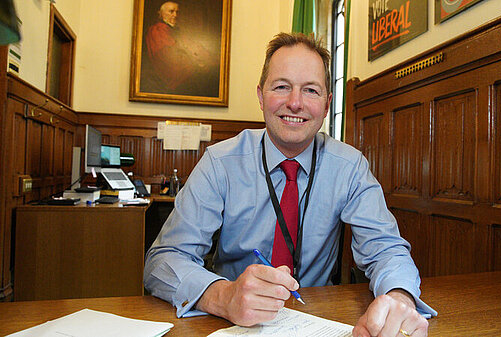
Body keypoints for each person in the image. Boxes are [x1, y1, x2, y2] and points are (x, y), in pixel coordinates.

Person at [144, 32, 436, 337]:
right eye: (281, 87)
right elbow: (163, 260)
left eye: (310, 90)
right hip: (228, 323)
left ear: (326, 105)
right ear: (260, 96)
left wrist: (399, 300)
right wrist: (224, 296)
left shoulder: (350, 167)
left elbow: (386, 249)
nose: (295, 103)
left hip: (317, 318)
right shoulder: (219, 163)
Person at [142, 1, 217, 96]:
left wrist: (207, 59)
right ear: (160, 14)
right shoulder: (157, 30)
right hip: (175, 78)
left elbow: (195, 47)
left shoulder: (177, 31)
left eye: (177, 12)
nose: (175, 15)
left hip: (188, 71)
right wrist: (196, 64)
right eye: (171, 11)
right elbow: (167, 56)